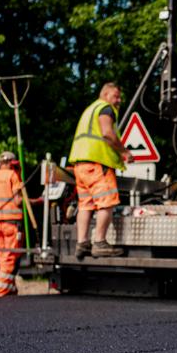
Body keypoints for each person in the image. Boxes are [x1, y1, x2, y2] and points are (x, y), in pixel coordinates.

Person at [68, 82, 134, 258]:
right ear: (105, 95)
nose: (119, 100)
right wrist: (124, 152)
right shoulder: (106, 108)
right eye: (116, 96)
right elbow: (107, 133)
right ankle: (100, 243)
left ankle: (82, 243)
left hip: (80, 165)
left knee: (85, 205)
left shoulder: (90, 109)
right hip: (98, 164)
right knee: (107, 202)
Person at [0, 151, 26, 297]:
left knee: (4, 260)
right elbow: (18, 201)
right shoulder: (12, 176)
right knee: (10, 260)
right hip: (13, 224)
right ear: (13, 162)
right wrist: (37, 201)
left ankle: (11, 290)